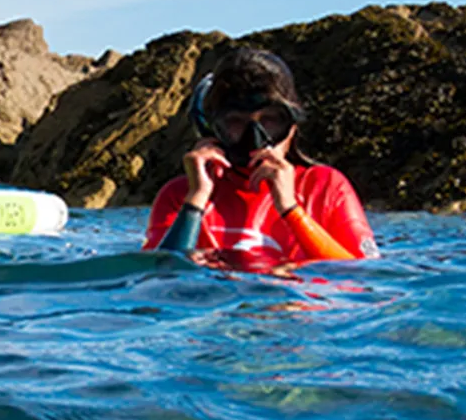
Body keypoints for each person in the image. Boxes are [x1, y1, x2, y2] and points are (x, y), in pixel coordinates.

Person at [145, 47, 375, 269]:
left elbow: (363, 278)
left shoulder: (326, 188)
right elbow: (159, 281)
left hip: (298, 306)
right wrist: (195, 202)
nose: (256, 139)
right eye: (236, 122)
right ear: (213, 131)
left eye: (270, 120)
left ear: (292, 126)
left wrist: (292, 211)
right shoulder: (181, 196)